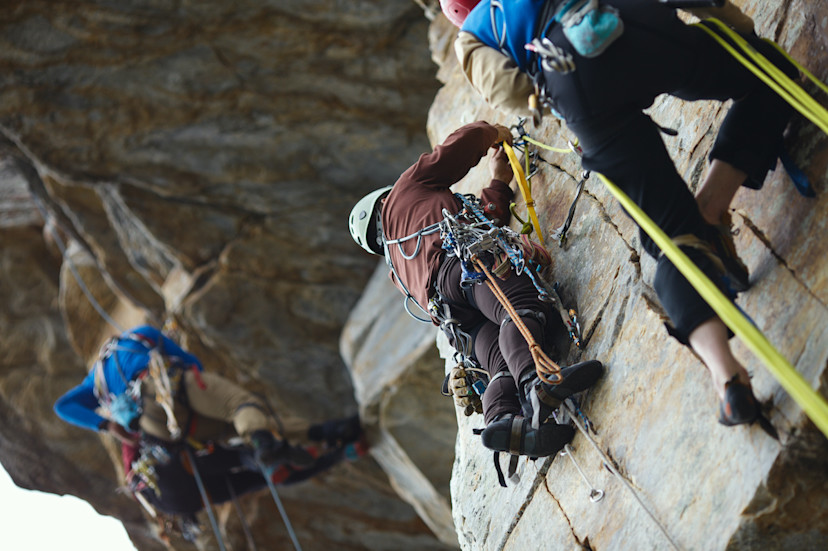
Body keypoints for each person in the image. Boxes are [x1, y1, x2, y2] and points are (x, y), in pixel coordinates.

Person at [441, 0, 798, 428]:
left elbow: (509, 91)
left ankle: (728, 377)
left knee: (670, 239)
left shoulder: (474, 36)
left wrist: (549, 93)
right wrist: (736, 30)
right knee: (770, 74)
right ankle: (712, 204)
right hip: (630, 28)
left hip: (574, 87)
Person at [349, 120, 603, 463]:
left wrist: (499, 182)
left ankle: (503, 420)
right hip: (467, 264)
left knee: (495, 356)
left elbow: (483, 218)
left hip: (454, 314)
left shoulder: (398, 269)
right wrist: (493, 132)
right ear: (383, 201)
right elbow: (458, 148)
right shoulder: (404, 191)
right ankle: (535, 382)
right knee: (518, 306)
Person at [54, 325, 310, 468]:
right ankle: (284, 440)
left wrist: (108, 425)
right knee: (239, 405)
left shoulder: (94, 384)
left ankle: (272, 450)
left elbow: (63, 406)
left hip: (155, 426)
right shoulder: (139, 334)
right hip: (167, 385)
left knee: (226, 430)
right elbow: (191, 362)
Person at [122, 415, 367, 521]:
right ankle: (268, 463)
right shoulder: (131, 426)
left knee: (254, 481)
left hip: (177, 504)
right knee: (239, 457)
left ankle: (340, 455)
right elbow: (138, 436)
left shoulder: (135, 484)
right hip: (169, 470)